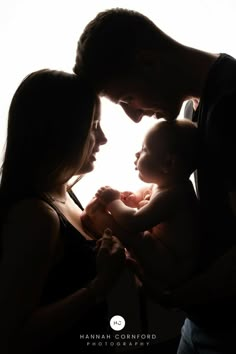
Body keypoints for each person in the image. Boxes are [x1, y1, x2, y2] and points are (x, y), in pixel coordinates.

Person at [74, 8, 236, 353]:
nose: (134, 116)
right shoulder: (196, 110)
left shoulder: (229, 108)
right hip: (205, 322)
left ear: (148, 61)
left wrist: (175, 295)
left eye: (127, 99)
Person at [0, 69, 126, 354]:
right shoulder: (36, 216)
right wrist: (100, 285)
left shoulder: (63, 191)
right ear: (60, 133)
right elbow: (11, 338)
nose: (103, 138)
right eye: (93, 126)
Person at [82, 118, 202, 292]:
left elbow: (134, 222)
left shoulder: (176, 194)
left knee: (138, 237)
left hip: (174, 267)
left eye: (144, 149)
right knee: (141, 235)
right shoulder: (163, 185)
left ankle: (98, 220)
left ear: (168, 164)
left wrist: (113, 201)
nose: (137, 154)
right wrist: (135, 201)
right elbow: (149, 207)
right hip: (165, 254)